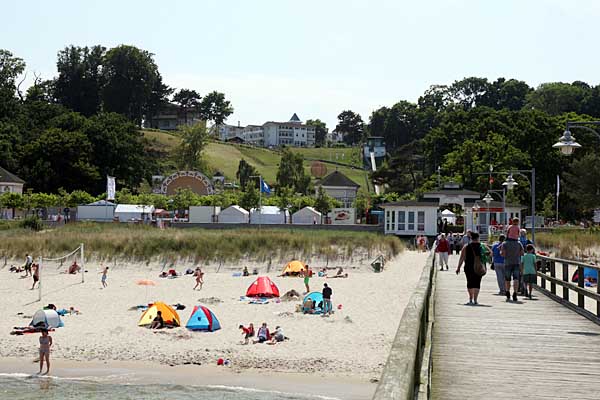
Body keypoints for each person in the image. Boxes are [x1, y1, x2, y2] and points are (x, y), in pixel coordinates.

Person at [456, 232, 489, 305]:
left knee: (469, 282)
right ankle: (475, 299)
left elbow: (462, 258)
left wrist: (458, 267)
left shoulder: (466, 246)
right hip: (479, 267)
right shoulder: (482, 246)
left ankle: (470, 298)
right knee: (477, 283)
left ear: (471, 238)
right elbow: (491, 253)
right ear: (478, 238)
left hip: (468, 267)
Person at [501, 234, 524, 302]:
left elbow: (503, 254)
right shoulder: (519, 243)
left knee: (507, 279)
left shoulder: (504, 243)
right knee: (516, 279)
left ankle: (507, 291)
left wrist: (501, 253)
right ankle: (515, 293)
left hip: (508, 263)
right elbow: (522, 253)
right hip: (516, 262)